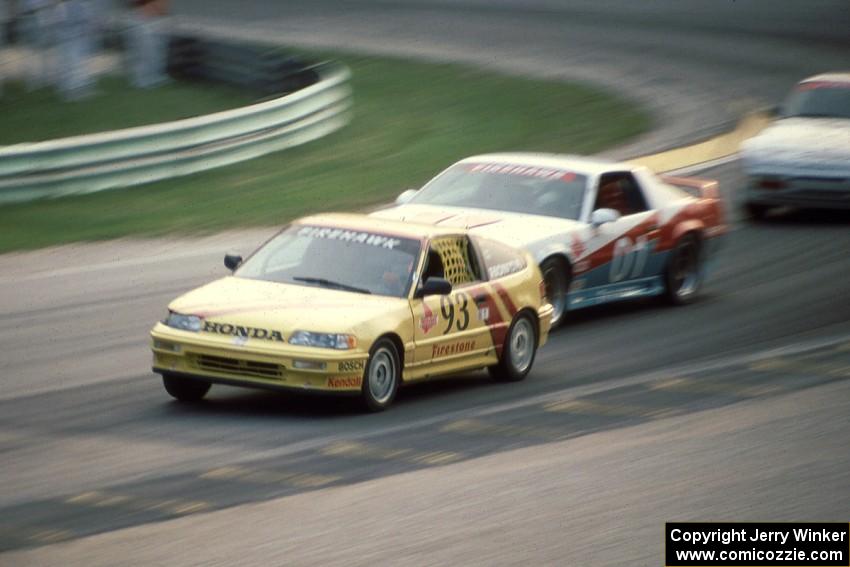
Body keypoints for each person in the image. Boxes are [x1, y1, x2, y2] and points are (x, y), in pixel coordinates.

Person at [53, 0, 94, 99]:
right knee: (72, 64)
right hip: (71, 37)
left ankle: (75, 88)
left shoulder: (69, 5)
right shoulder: (68, 5)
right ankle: (72, 90)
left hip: (73, 37)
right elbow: (72, 21)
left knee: (74, 64)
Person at [126, 0, 168, 88]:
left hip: (153, 18)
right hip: (143, 17)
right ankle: (143, 79)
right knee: (145, 50)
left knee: (156, 49)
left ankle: (154, 76)